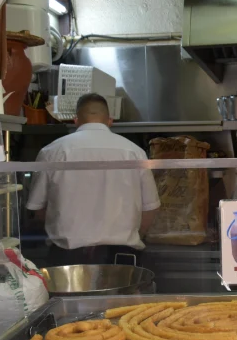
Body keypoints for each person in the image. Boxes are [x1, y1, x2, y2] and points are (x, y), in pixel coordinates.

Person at [27, 93, 160, 267]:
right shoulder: (134, 152)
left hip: (67, 259)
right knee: (120, 295)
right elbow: (150, 208)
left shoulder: (52, 151)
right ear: (110, 121)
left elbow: (38, 208)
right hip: (122, 257)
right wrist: (135, 235)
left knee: (67, 296)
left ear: (76, 121)